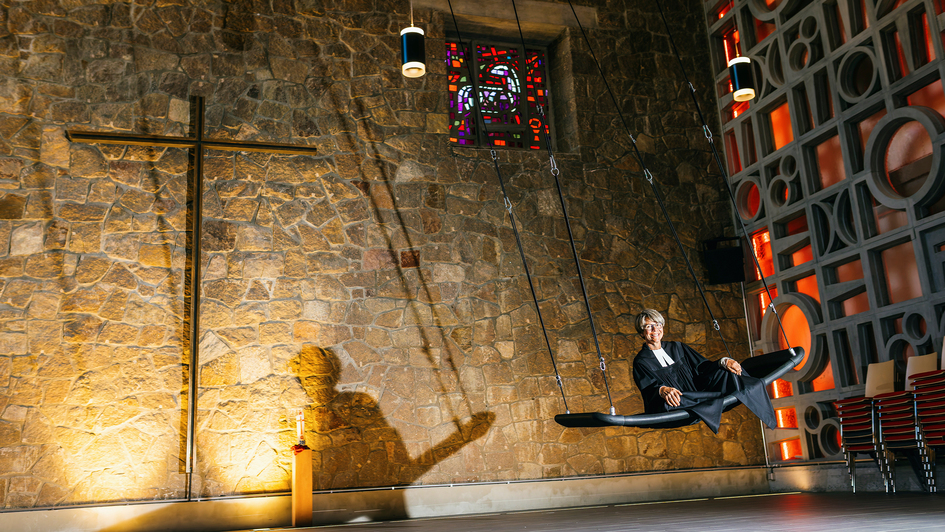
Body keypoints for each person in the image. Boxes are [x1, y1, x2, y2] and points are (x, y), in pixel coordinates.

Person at [631, 309, 776, 434]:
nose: (655, 330)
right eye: (649, 327)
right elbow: (649, 387)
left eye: (657, 324)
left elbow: (702, 367)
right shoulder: (641, 361)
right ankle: (709, 402)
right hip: (680, 402)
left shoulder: (677, 347)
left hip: (697, 391)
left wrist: (724, 361)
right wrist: (662, 389)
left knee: (726, 372)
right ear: (642, 333)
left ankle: (747, 392)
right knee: (673, 400)